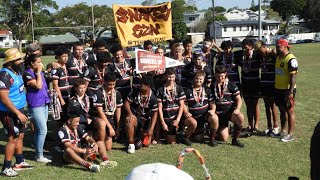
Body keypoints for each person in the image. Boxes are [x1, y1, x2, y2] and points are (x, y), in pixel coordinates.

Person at [0, 48, 34, 177]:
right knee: (12, 138)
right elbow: (3, 97)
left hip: (19, 109)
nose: (21, 61)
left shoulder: (17, 72)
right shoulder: (5, 75)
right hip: (9, 112)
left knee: (20, 135)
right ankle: (6, 167)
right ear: (11, 61)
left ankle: (19, 162)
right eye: (18, 59)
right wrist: (18, 113)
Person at [23, 54, 51, 163]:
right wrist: (39, 73)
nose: (40, 64)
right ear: (31, 63)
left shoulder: (40, 73)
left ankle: (38, 151)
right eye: (38, 62)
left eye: (40, 62)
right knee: (43, 130)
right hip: (35, 105)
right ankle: (39, 156)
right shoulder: (27, 74)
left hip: (44, 103)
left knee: (39, 130)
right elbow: (38, 86)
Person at [157, 68, 197, 145]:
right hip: (167, 118)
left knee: (193, 123)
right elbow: (160, 108)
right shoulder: (161, 90)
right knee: (172, 142)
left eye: (173, 77)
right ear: (165, 77)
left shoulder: (179, 88)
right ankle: (167, 133)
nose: (171, 79)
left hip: (178, 117)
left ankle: (185, 137)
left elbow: (182, 105)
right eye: (169, 77)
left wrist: (178, 120)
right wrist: (163, 123)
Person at [210, 65, 245, 147]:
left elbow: (239, 99)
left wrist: (238, 109)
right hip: (218, 115)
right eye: (218, 76)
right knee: (224, 138)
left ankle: (235, 140)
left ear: (225, 74)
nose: (220, 78)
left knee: (240, 117)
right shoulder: (212, 85)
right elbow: (211, 101)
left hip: (229, 113)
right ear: (215, 75)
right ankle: (212, 135)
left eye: (222, 76)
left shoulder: (231, 84)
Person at [124, 75, 158, 153]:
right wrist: (130, 114)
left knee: (146, 144)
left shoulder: (153, 97)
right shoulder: (135, 91)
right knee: (130, 120)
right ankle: (131, 144)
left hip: (146, 120)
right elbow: (126, 103)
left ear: (148, 86)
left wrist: (151, 128)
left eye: (142, 84)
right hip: (135, 117)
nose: (140, 85)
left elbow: (155, 114)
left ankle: (137, 137)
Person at [183, 71, 218, 146]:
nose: (198, 81)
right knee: (197, 138)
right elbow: (184, 104)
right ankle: (186, 137)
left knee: (214, 118)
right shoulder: (188, 90)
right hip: (193, 117)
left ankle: (212, 138)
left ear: (204, 79)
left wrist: (212, 110)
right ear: (193, 79)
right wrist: (186, 112)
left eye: (200, 79)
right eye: (197, 79)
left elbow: (212, 103)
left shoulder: (207, 90)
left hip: (205, 116)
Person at [234, 38, 261, 133]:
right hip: (245, 83)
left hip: (255, 83)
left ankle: (256, 125)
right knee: (248, 105)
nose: (244, 50)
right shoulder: (240, 56)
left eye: (246, 48)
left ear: (252, 47)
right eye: (242, 48)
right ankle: (250, 125)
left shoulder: (257, 56)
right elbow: (226, 52)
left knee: (255, 104)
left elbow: (268, 51)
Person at [91, 73, 122, 151]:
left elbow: (118, 110)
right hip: (98, 117)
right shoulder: (99, 92)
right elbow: (100, 112)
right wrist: (110, 127)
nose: (111, 87)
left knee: (108, 148)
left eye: (113, 84)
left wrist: (117, 127)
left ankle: (96, 137)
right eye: (109, 84)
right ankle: (99, 144)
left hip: (110, 117)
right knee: (102, 123)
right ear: (104, 82)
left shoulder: (117, 93)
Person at [274, 39, 298, 142]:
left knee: (290, 111)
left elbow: (293, 76)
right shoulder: (278, 57)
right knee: (282, 111)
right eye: (276, 46)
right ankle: (283, 130)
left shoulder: (291, 59)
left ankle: (290, 133)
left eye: (278, 47)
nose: (277, 48)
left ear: (285, 47)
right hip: (278, 89)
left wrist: (291, 91)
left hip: (287, 90)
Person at [255, 40, 279, 136]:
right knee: (266, 106)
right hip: (264, 84)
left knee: (272, 106)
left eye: (260, 49)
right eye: (258, 51)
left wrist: (274, 52)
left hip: (272, 84)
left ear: (264, 46)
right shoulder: (261, 57)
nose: (260, 52)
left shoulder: (272, 54)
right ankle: (269, 127)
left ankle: (276, 127)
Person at [52, 47, 71, 123]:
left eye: (67, 56)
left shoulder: (67, 66)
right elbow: (55, 85)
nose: (66, 58)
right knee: (62, 119)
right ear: (58, 57)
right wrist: (61, 99)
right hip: (61, 96)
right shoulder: (56, 69)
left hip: (69, 95)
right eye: (63, 56)